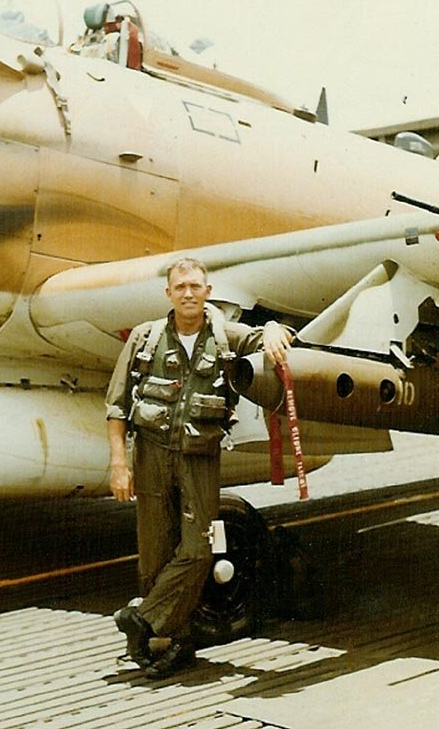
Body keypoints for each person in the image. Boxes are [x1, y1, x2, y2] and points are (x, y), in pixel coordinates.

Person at [105, 257, 292, 678]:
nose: (188, 293)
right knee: (154, 557)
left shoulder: (226, 337)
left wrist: (277, 329)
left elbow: (265, 336)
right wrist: (119, 464)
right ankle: (170, 644)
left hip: (200, 458)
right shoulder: (145, 338)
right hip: (150, 455)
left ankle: (145, 618)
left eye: (196, 286)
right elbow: (116, 406)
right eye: (180, 287)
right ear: (168, 294)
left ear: (209, 293)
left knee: (198, 548)